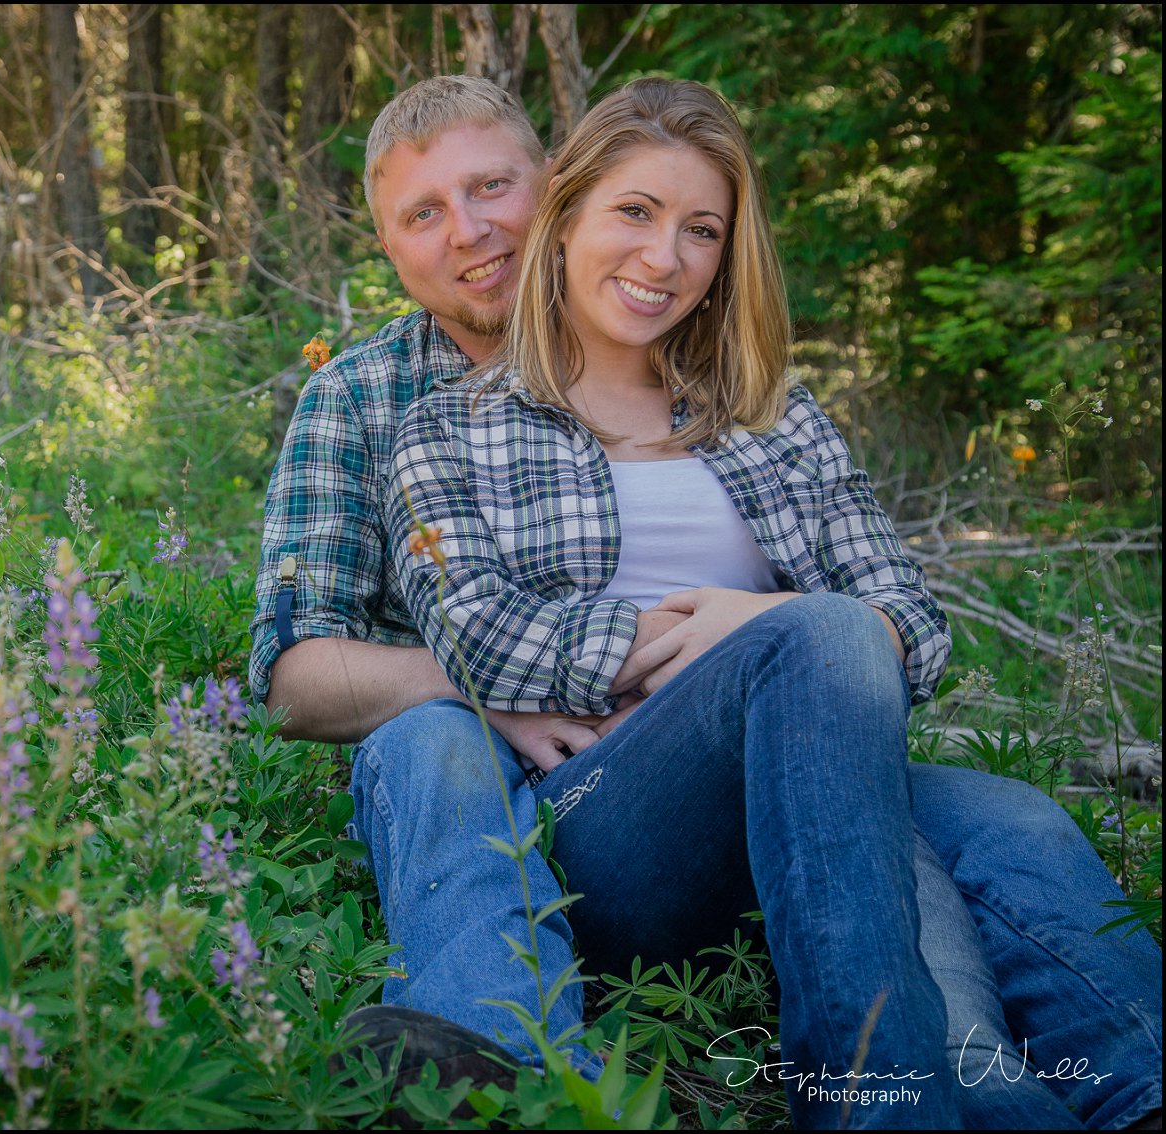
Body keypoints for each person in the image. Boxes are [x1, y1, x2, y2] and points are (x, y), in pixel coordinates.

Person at [253, 75, 1162, 1128]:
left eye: (491, 186)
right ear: (387, 242)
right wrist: (486, 688)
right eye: (424, 212)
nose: (471, 231)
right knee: (431, 741)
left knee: (1010, 819)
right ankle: (498, 1053)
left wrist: (757, 643)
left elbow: (900, 624)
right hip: (545, 779)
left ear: (547, 188)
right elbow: (309, 668)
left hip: (780, 738)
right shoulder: (396, 407)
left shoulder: (757, 408)